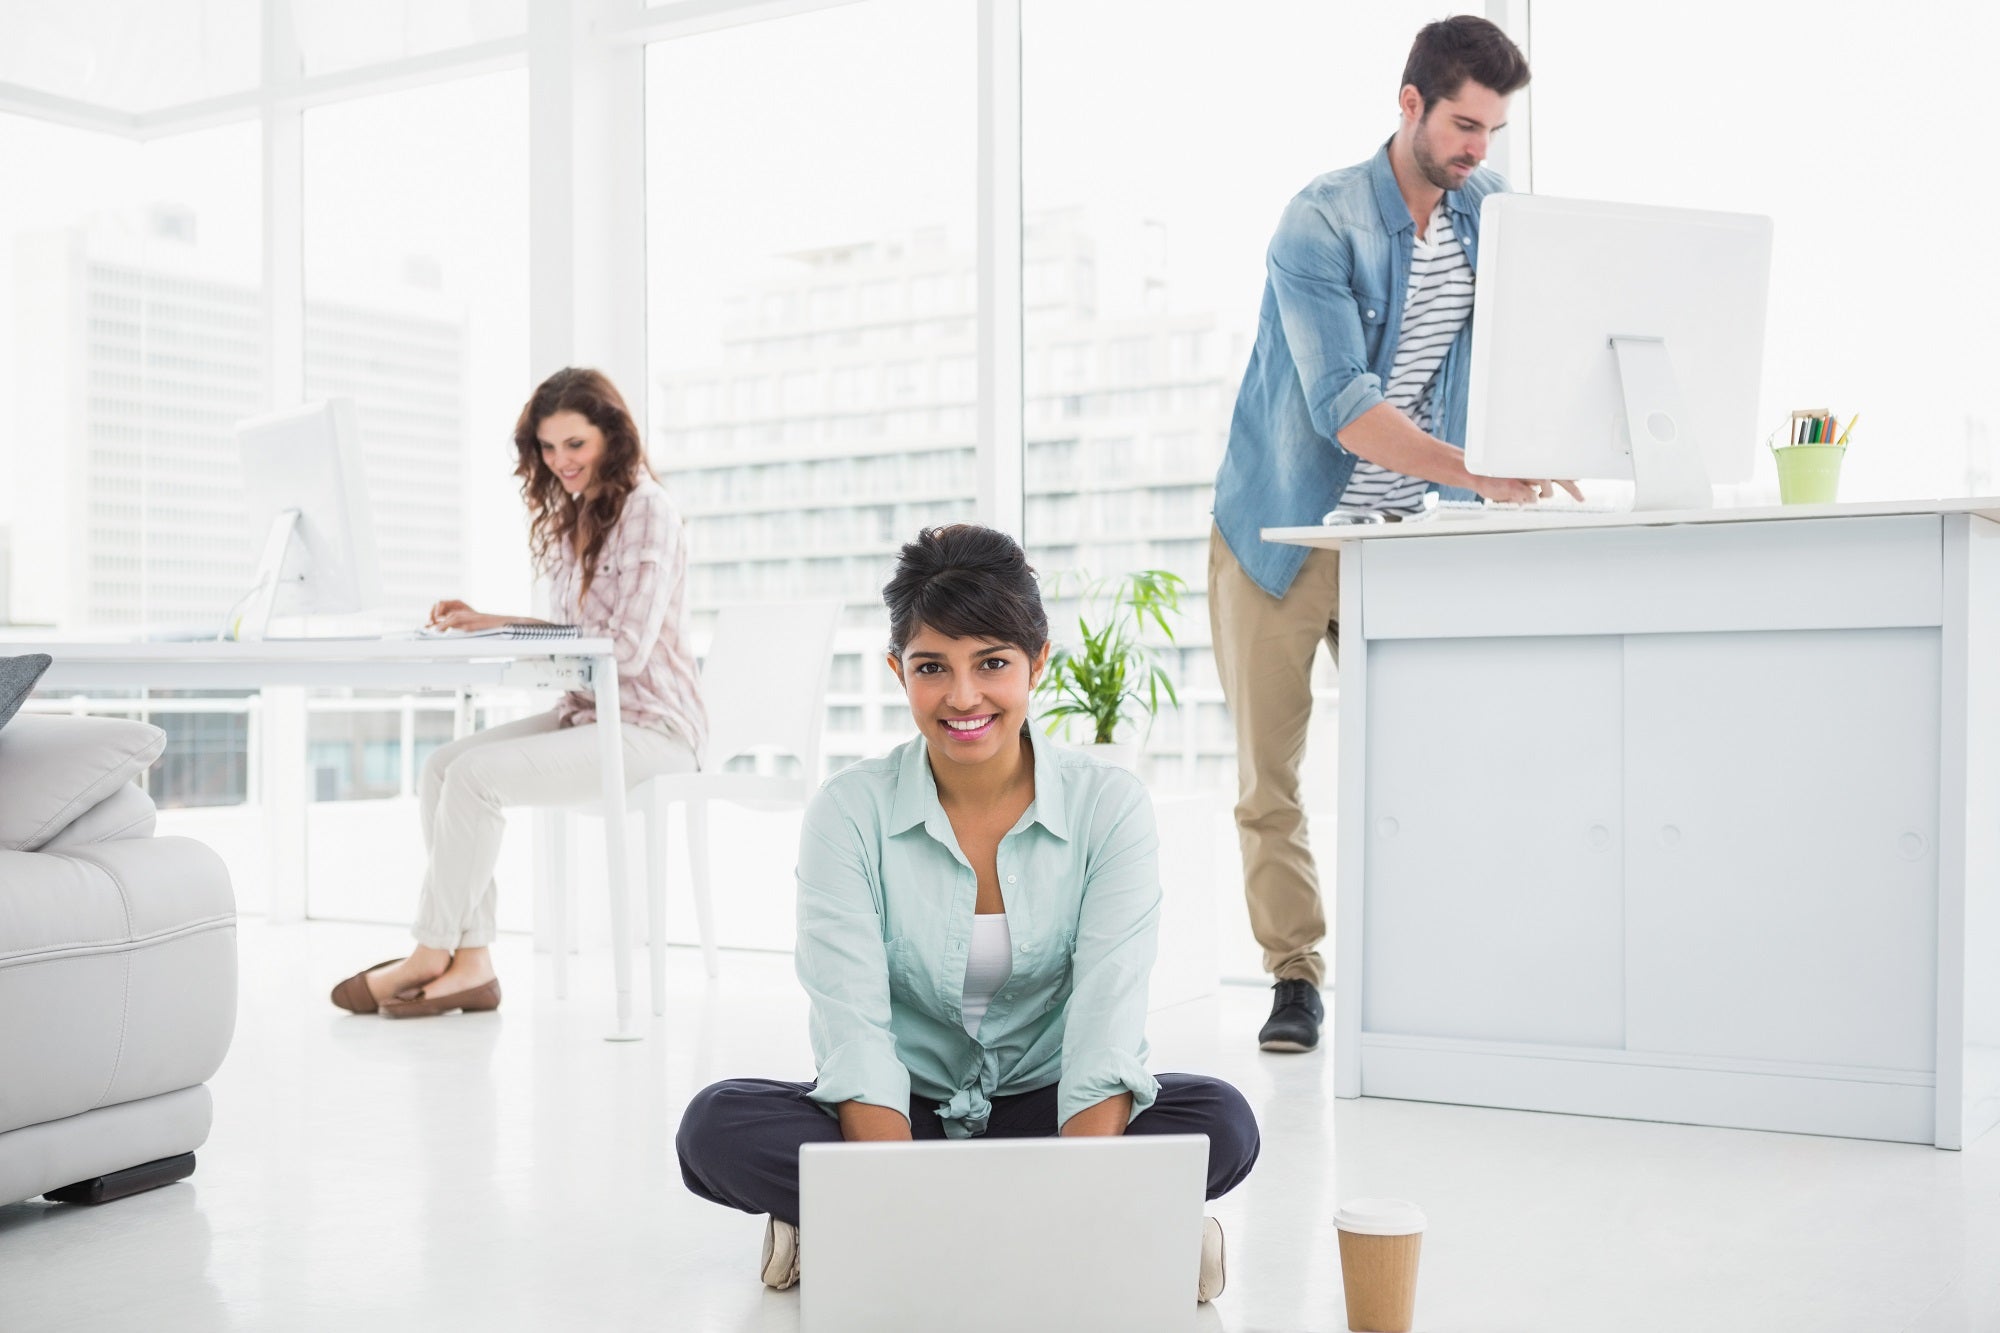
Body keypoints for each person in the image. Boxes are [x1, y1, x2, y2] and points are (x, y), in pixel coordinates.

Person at [675, 525, 1259, 1303]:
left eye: (991, 663)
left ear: (1037, 661)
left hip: (1047, 1107)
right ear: (897, 671)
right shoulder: (849, 813)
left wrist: (1070, 1177)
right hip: (897, 1110)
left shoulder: (1107, 807)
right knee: (716, 1126)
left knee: (1222, 1119)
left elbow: (1106, 1021)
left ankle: (848, 1227)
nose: (963, 696)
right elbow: (854, 1027)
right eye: (931, 667)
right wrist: (907, 1182)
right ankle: (1108, 1232)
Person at [1209, 17, 1574, 1052]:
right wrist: (1476, 472)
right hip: (1282, 529)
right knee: (1267, 777)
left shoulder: (1489, 212)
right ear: (1408, 103)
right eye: (1463, 124)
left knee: (1435, 762)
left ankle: (1433, 966)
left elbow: (1532, 337)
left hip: (1405, 536)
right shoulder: (1317, 222)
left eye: (1492, 131)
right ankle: (1294, 978)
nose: (1476, 150)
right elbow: (1340, 404)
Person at [328, 367, 707, 1019]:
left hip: (654, 730)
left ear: (611, 439)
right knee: (442, 767)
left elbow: (624, 647)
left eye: (575, 444)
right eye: (548, 447)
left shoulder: (648, 510)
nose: (560, 461)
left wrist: (517, 631)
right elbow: (582, 634)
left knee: (474, 778)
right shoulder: (578, 516)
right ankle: (471, 961)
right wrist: (493, 621)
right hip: (590, 717)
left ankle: (429, 950)